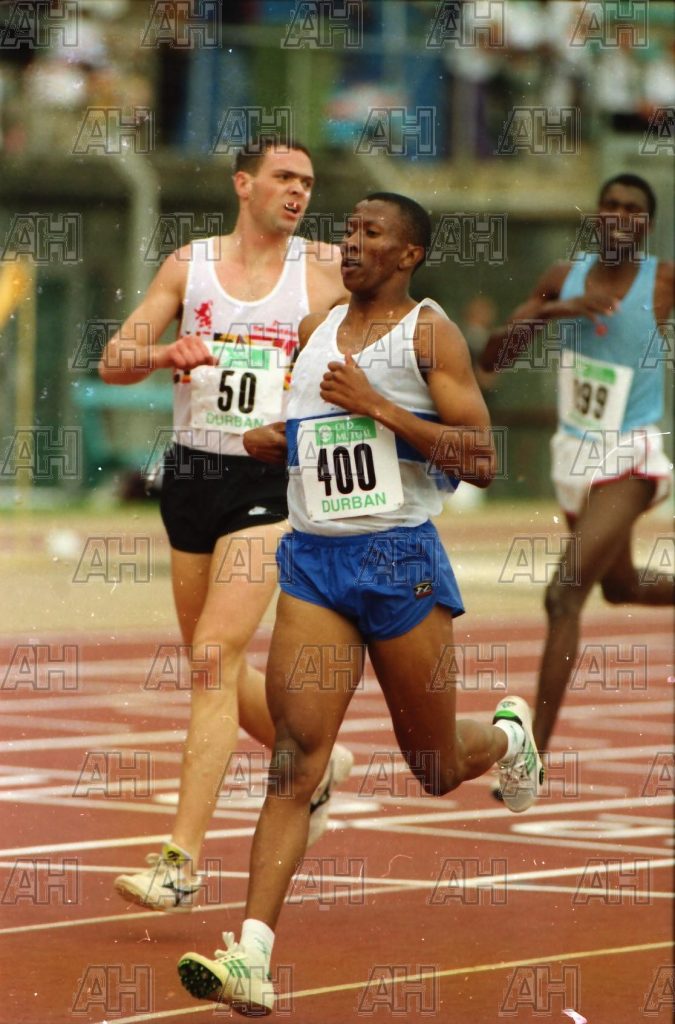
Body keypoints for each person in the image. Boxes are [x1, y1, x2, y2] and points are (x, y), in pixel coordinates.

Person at [176, 192, 543, 1015]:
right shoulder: (314, 331)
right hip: (314, 564)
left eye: (370, 233)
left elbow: (481, 459)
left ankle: (509, 738)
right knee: (293, 761)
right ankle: (251, 957)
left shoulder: (428, 334)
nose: (349, 243)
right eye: (346, 231)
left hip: (398, 561)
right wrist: (275, 441)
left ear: (408, 254)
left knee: (434, 768)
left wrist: (376, 406)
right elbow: (310, 435)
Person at [98, 138, 353, 912]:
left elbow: (377, 344)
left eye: (307, 182)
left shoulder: (324, 271)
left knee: (212, 655)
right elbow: (114, 360)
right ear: (244, 184)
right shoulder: (191, 265)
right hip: (192, 475)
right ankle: (317, 762)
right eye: (283, 177)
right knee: (211, 663)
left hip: (270, 476)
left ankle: (179, 862)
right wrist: (163, 352)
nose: (297, 191)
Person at [478, 173, 673, 760]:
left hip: (632, 455)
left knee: (563, 595)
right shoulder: (563, 276)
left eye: (632, 209)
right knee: (621, 585)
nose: (619, 216)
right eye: (609, 205)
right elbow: (493, 358)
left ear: (647, 224)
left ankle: (530, 756)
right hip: (574, 456)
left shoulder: (663, 280)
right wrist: (556, 310)